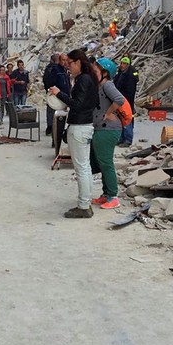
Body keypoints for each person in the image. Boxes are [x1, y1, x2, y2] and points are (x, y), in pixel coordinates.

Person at [49, 49, 99, 218]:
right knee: (85, 167)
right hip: (85, 125)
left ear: (78, 62)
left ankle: (84, 206)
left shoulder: (83, 80)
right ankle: (86, 202)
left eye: (69, 63)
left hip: (79, 126)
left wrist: (59, 94)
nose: (67, 66)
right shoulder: (89, 78)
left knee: (81, 168)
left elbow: (77, 104)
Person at [91, 57, 125, 209]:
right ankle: (106, 194)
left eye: (96, 70)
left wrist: (109, 112)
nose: (93, 72)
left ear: (104, 73)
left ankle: (113, 196)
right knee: (101, 162)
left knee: (106, 163)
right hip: (101, 128)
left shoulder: (107, 85)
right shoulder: (100, 86)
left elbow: (119, 99)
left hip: (108, 129)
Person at [113, 56, 137, 147]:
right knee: (121, 119)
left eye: (124, 64)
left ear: (127, 65)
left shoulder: (130, 75)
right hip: (120, 100)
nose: (122, 65)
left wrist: (125, 101)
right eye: (121, 63)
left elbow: (130, 90)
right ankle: (122, 138)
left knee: (127, 119)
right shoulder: (121, 73)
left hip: (126, 101)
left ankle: (128, 139)